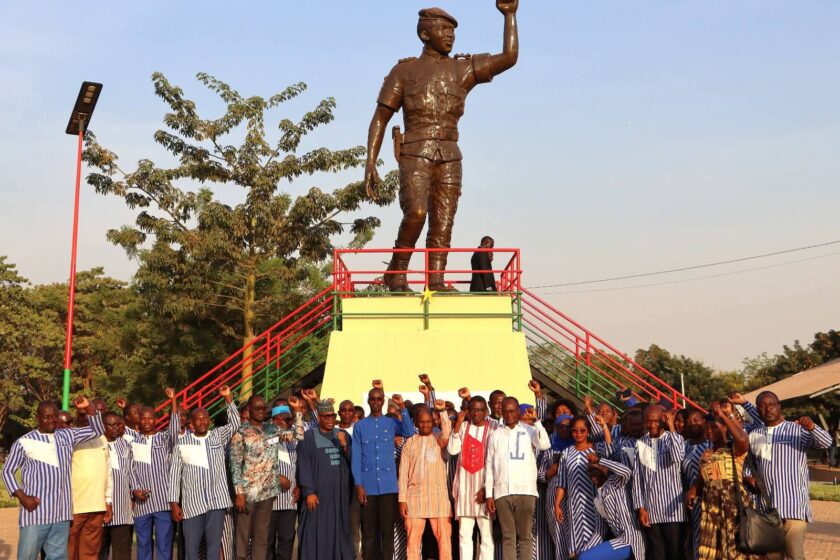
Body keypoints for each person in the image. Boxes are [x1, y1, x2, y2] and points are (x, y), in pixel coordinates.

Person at [364, 1, 521, 292]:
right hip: (415, 151)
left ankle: (435, 279)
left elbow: (510, 57)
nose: (450, 35)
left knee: (444, 218)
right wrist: (370, 162)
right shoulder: (403, 72)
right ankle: (396, 272)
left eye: (453, 31)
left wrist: (509, 15)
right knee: (416, 213)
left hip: (449, 153)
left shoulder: (462, 69)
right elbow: (381, 118)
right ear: (425, 34)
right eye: (443, 29)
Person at [2, 397, 102, 560]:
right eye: (46, 417)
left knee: (57, 557)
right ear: (38, 418)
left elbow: (97, 430)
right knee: (27, 556)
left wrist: (88, 406)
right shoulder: (24, 442)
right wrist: (23, 497)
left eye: (54, 416)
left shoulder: (67, 435)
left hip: (61, 514)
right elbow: (7, 471)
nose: (51, 420)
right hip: (35, 513)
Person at [744, 391, 832, 560]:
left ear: (779, 406)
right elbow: (749, 465)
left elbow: (826, 442)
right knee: (771, 558)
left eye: (772, 404)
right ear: (757, 409)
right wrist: (748, 477)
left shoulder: (796, 429)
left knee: (795, 556)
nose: (767, 409)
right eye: (762, 406)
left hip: (793, 507)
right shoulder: (754, 434)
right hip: (767, 509)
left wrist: (812, 427)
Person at [168, 385, 240, 560]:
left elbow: (235, 423)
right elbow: (174, 475)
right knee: (191, 548)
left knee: (213, 547)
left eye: (204, 418)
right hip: (192, 504)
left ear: (209, 421)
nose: (202, 422)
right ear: (191, 423)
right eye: (197, 419)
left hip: (217, 502)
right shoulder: (182, 443)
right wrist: (174, 504)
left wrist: (228, 397)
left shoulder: (218, 436)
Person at [229, 394, 305, 560]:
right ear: (249, 410)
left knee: (262, 537)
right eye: (257, 408)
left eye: (264, 408)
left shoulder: (272, 430)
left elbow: (298, 435)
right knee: (243, 537)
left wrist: (297, 412)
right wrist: (239, 493)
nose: (261, 411)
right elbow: (235, 465)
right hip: (248, 494)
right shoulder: (240, 433)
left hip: (268, 493)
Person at [685, 403, 760, 560]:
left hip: (733, 506)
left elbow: (743, 439)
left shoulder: (734, 449)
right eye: (707, 428)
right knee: (715, 551)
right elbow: (702, 480)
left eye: (714, 427)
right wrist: (693, 490)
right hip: (712, 508)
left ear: (725, 428)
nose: (710, 431)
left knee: (736, 549)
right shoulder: (706, 454)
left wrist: (725, 416)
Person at [352, 383, 416, 560]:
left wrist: (401, 406)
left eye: (379, 399)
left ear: (383, 401)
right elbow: (356, 456)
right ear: (368, 401)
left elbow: (409, 431)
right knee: (369, 531)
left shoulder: (391, 422)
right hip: (368, 486)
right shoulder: (360, 426)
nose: (376, 402)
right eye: (372, 399)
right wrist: (358, 484)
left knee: (387, 530)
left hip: (388, 486)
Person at [485, 397, 550, 560]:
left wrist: (537, 422)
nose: (509, 414)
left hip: (525, 491)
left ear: (518, 412)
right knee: (508, 536)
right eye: (506, 411)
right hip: (502, 492)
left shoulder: (529, 430)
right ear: (502, 412)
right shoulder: (495, 434)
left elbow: (544, 444)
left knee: (525, 536)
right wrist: (489, 494)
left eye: (512, 411)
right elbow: (489, 465)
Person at [297, 400, 355, 560]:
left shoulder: (343, 435)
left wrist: (345, 446)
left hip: (339, 495)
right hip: (318, 496)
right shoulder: (308, 437)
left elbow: (353, 461)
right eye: (326, 416)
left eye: (332, 416)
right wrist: (309, 492)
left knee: (339, 529)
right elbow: (303, 465)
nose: (330, 419)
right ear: (319, 417)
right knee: (316, 530)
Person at [399, 401, 453, 560]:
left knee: (444, 539)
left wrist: (442, 412)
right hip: (414, 497)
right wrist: (402, 499)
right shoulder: (410, 443)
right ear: (416, 423)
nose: (425, 425)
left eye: (429, 422)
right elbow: (403, 472)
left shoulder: (439, 440)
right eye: (422, 422)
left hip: (438, 497)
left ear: (433, 423)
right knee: (413, 541)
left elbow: (447, 434)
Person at [632, 405, 686, 560]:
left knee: (675, 554)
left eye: (656, 421)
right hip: (651, 510)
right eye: (648, 421)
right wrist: (641, 508)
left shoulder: (674, 438)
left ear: (664, 419)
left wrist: (671, 426)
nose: (652, 425)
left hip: (673, 511)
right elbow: (637, 478)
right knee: (657, 554)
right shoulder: (640, 443)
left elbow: (677, 457)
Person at [132, 389, 180, 560]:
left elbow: (175, 428)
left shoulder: (165, 438)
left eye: (150, 418)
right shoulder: (134, 441)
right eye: (143, 418)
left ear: (156, 420)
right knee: (143, 543)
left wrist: (173, 400)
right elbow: (131, 469)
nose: (146, 421)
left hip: (163, 502)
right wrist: (135, 490)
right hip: (142, 504)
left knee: (164, 543)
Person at [552, 416, 609, 558]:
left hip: (594, 503)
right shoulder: (566, 452)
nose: (578, 433)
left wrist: (604, 426)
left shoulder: (597, 448)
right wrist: (557, 505)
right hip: (574, 505)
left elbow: (610, 448)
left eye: (582, 430)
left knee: (594, 545)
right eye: (575, 430)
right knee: (575, 545)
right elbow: (562, 481)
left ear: (588, 431)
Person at [447, 395, 495, 560]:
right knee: (464, 534)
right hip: (465, 488)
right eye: (472, 410)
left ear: (486, 411)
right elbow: (452, 450)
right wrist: (457, 425)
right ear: (467, 411)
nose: (476, 413)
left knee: (486, 535)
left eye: (480, 410)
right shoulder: (462, 427)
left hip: (484, 489)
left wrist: (488, 489)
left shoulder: (492, 430)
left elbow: (495, 462)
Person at [578, 453, 645, 560]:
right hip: (619, 540)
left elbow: (626, 471)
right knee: (583, 557)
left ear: (604, 468)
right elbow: (600, 531)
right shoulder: (597, 499)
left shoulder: (615, 482)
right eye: (589, 471)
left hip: (631, 539)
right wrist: (583, 551)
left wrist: (599, 460)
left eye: (594, 469)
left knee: (584, 558)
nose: (591, 474)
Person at [69, 398, 113, 560]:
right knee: (69, 551)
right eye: (82, 415)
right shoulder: (70, 437)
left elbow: (108, 471)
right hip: (73, 506)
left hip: (96, 506)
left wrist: (108, 500)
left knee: (90, 553)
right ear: (76, 416)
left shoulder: (102, 438)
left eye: (90, 415)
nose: (86, 418)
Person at [267, 401, 301, 560]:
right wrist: (277, 476)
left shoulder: (292, 438)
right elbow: (258, 464)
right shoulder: (267, 436)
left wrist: (299, 485)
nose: (288, 422)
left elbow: (300, 434)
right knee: (268, 541)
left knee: (287, 540)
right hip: (270, 499)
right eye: (285, 419)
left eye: (290, 419)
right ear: (275, 420)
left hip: (289, 500)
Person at [101, 412, 134, 560]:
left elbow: (132, 472)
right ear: (102, 426)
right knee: (99, 551)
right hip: (100, 508)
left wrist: (133, 495)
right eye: (111, 425)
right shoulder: (95, 445)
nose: (115, 428)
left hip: (122, 509)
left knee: (122, 552)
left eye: (117, 425)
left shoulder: (125, 445)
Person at [681, 408, 710, 560]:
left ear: (704, 421)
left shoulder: (711, 444)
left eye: (696, 420)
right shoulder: (684, 446)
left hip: (710, 499)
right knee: (697, 541)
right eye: (689, 422)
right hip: (692, 503)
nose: (692, 424)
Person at [338, 399, 363, 560]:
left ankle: (356, 555)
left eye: (350, 410)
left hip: (356, 483)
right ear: (339, 413)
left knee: (355, 525)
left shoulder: (359, 430)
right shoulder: (333, 430)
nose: (347, 413)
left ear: (354, 413)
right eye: (344, 410)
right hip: (338, 483)